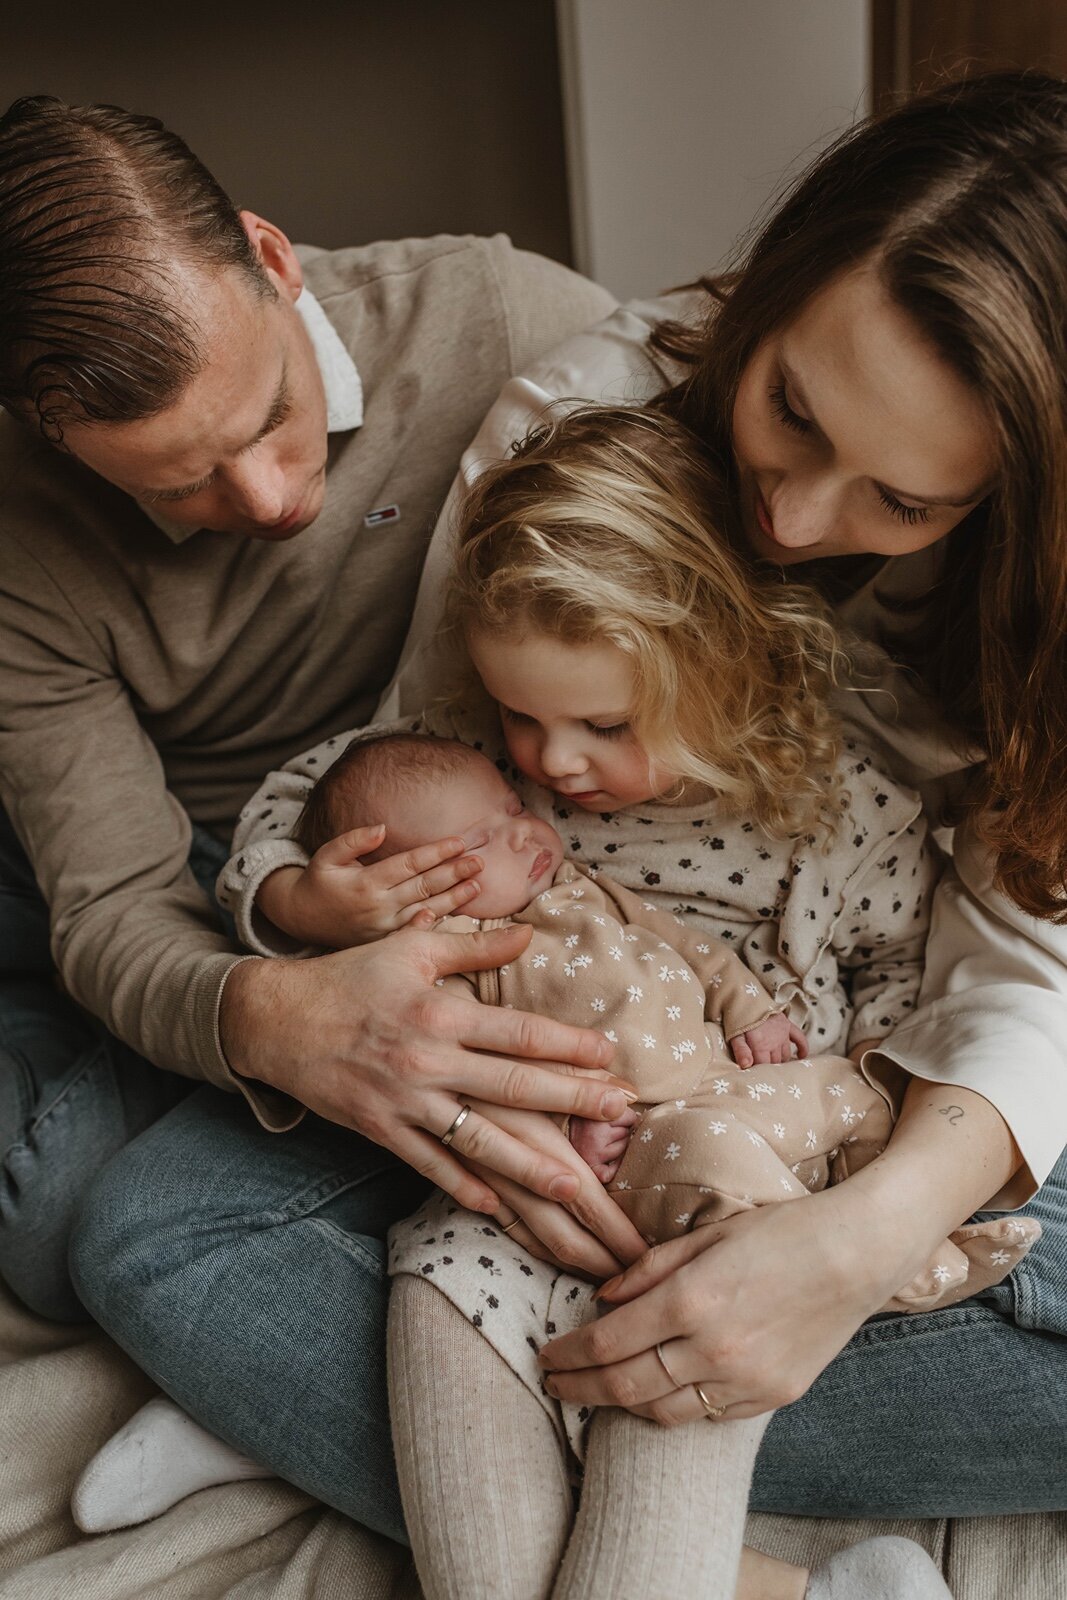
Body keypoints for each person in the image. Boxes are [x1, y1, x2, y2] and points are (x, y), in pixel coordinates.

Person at [69, 68, 1067, 1594]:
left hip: (825, 1097)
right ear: (770, 292)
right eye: (791, 413)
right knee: (147, 1235)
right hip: (552, 1107)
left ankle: (325, 1414)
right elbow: (418, 772)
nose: (798, 522)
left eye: (907, 503)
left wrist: (845, 1244)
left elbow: (1012, 989)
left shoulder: (1007, 648)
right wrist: (322, 934)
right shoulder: (578, 430)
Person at [0, 91, 636, 1533]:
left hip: (470, 812)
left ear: (272, 257)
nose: (274, 497)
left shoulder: (508, 321)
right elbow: (118, 905)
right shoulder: (24, 546)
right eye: (183, 486)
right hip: (214, 860)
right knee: (48, 1226)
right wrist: (279, 1018)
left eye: (273, 418)